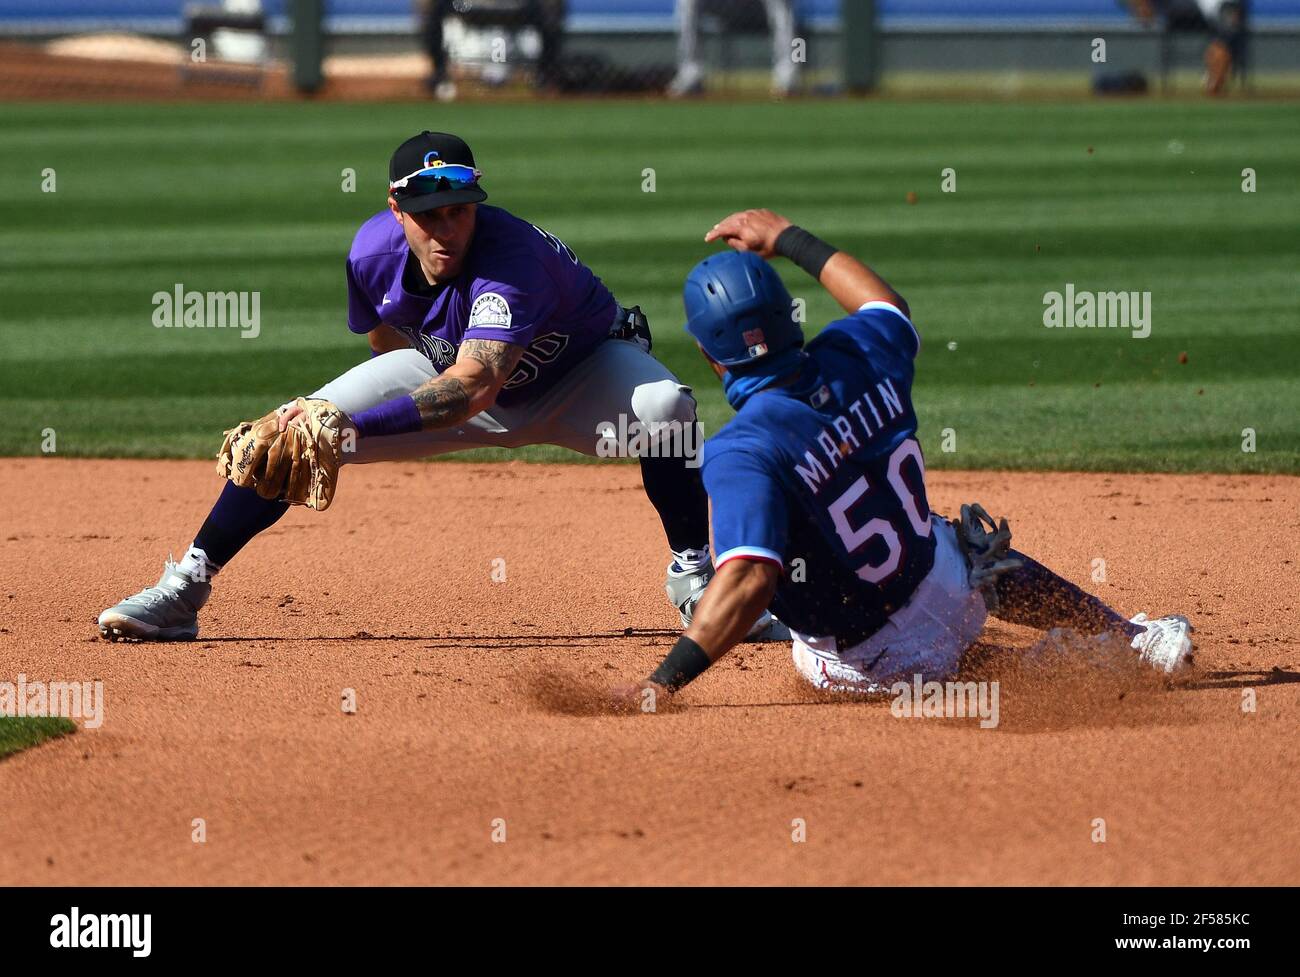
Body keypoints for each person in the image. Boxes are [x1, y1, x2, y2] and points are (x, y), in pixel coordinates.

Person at [98, 132, 777, 643]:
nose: (446, 226)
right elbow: (388, 342)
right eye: (428, 212)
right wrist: (325, 420)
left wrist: (357, 428)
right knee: (290, 432)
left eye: (458, 209)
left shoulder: (513, 260)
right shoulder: (369, 253)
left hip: (577, 383)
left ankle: (696, 578)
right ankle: (184, 587)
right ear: (396, 209)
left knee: (670, 408)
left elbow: (477, 386)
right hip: (450, 372)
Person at [614, 209, 1194, 703]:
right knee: (964, 542)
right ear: (789, 312)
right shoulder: (858, 351)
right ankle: (1130, 640)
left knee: (841, 646)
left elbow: (748, 579)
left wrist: (658, 685)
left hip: (872, 659)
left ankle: (1056, 674)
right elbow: (885, 304)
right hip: (952, 583)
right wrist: (789, 236)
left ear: (706, 353)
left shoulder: (740, 451)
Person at [668, 0, 800, 98]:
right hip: (724, 5)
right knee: (687, 2)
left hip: (759, 7)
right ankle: (691, 72)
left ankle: (787, 77)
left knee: (781, 5)